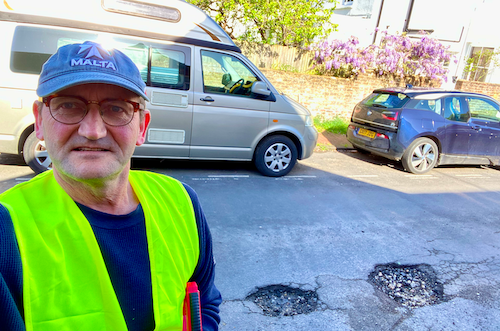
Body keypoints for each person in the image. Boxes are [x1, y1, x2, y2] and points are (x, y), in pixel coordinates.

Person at [0, 41, 221, 330]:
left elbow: (204, 304)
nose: (93, 131)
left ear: (142, 127)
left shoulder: (181, 202)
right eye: (68, 106)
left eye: (116, 109)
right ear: (39, 120)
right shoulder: (7, 231)